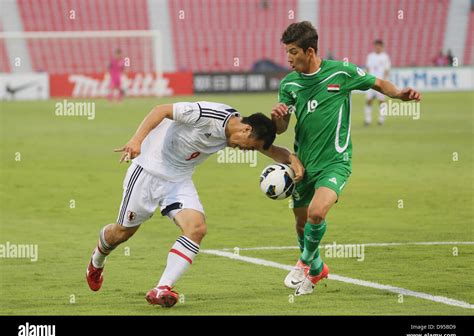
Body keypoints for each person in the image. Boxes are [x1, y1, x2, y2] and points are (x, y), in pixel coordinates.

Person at [86, 101, 304, 307]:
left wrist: (292, 159)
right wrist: (137, 140)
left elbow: (272, 150)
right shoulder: (207, 114)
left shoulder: (241, 133)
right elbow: (161, 109)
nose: (244, 150)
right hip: (148, 171)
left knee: (197, 228)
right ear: (246, 130)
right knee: (122, 233)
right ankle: (97, 262)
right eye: (248, 147)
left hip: (179, 179)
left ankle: (162, 288)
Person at [271, 21, 421, 296]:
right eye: (287, 52)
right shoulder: (289, 84)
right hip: (303, 165)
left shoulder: (342, 72)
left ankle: (303, 263)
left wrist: (400, 94)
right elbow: (282, 128)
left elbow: (377, 83)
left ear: (310, 50)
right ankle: (317, 269)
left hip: (335, 161)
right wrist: (279, 118)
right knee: (302, 224)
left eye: (293, 52)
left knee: (317, 212)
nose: (288, 58)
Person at [364, 39, 391, 126]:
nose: (377, 47)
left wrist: (385, 81)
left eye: (379, 46)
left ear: (382, 47)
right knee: (369, 100)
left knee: (381, 101)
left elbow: (387, 70)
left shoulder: (385, 57)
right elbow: (367, 68)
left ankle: (381, 119)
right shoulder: (370, 56)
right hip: (371, 82)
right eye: (376, 46)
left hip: (381, 82)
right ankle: (368, 120)